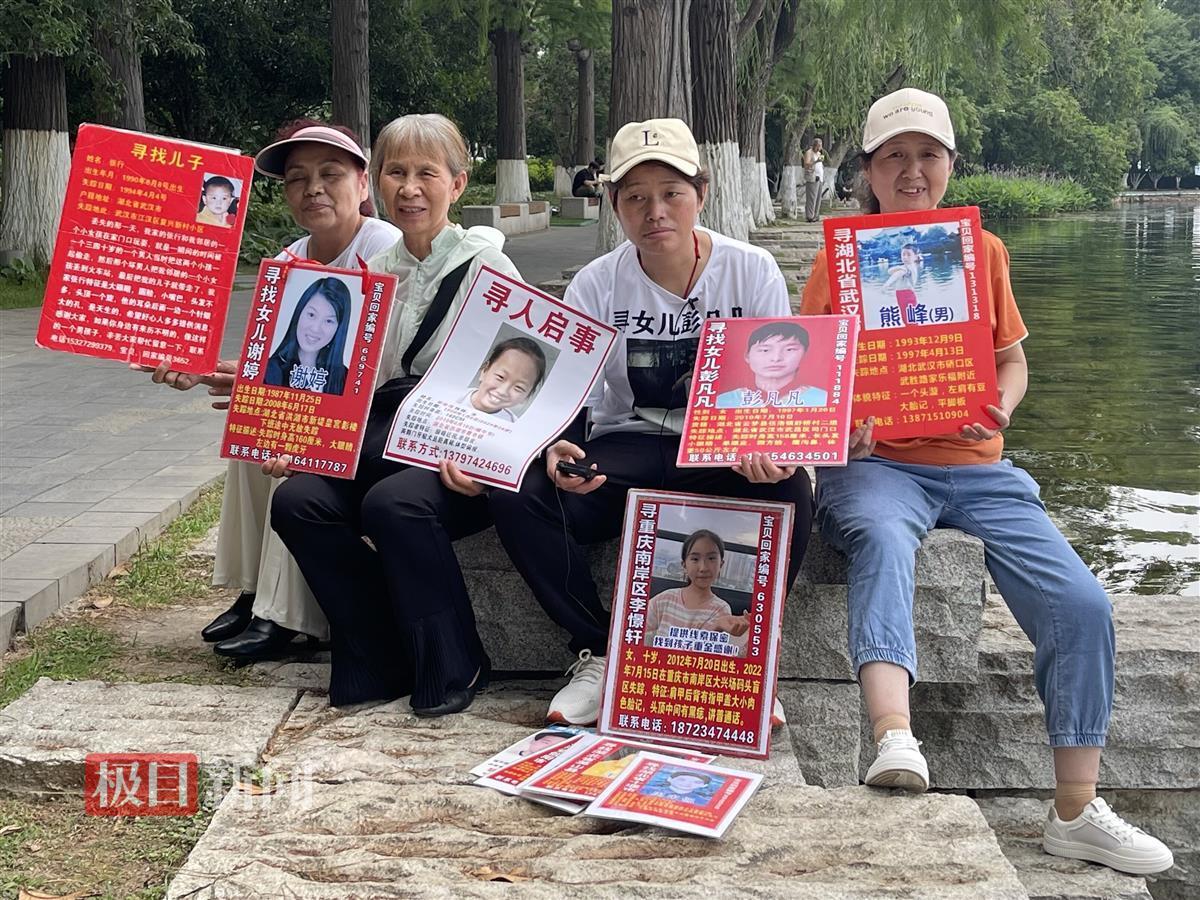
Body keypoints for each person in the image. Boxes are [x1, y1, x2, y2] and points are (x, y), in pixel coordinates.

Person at [800, 87, 1173, 876]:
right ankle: (894, 737)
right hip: (878, 465)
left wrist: (998, 406)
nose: (912, 171)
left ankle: (1075, 809)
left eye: (928, 155)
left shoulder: (982, 252)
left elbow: (1011, 363)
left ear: (950, 165)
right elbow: (812, 379)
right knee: (881, 541)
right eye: (894, 157)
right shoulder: (837, 261)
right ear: (867, 170)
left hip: (979, 468)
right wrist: (843, 428)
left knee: (1082, 603)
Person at [489, 118, 816, 728]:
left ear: (702, 193)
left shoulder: (752, 271)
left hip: (720, 450)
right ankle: (597, 653)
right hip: (627, 446)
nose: (655, 211)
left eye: (671, 193)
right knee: (519, 492)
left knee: (792, 489)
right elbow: (571, 400)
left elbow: (779, 393)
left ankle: (749, 663)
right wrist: (557, 448)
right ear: (614, 205)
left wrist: (773, 449)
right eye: (635, 197)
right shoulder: (595, 284)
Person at [268, 113, 522, 716]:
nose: (409, 189)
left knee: (391, 504)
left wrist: (484, 456)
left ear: (457, 184)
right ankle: (376, 649)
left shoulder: (490, 269)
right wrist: (298, 439)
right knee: (298, 500)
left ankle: (454, 657)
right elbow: (348, 385)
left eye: (426, 174)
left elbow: (521, 382)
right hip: (386, 441)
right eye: (395, 172)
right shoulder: (373, 275)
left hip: (465, 455)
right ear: (376, 182)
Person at [136, 120, 402, 660]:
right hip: (322, 406)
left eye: (330, 174)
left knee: (288, 440)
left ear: (363, 183)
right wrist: (209, 371)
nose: (313, 189)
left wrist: (282, 398)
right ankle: (255, 588)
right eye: (297, 178)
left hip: (380, 417)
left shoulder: (385, 250)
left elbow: (383, 363)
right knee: (250, 432)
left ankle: (285, 616)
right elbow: (271, 359)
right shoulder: (286, 261)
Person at [644, 529, 747, 655]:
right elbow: (635, 626)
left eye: (711, 558)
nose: (703, 568)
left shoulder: (721, 609)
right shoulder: (665, 599)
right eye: (695, 559)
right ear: (684, 565)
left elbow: (705, 658)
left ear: (721, 564)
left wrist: (716, 627)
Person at [264, 277, 352, 394]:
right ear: (299, 313)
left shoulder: (345, 379)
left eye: (328, 321)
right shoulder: (269, 371)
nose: (315, 328)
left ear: (339, 328)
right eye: (311, 315)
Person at [715, 321, 828, 408]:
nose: (776, 358)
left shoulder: (823, 400)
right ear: (747, 356)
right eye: (765, 350)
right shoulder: (723, 402)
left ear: (804, 354)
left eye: (789, 349)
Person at [458, 337, 547, 422]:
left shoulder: (514, 425)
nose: (503, 391)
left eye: (519, 387)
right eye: (500, 377)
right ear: (485, 370)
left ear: (527, 396)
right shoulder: (454, 395)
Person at [640, 770, 716, 805]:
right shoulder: (647, 790)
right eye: (682, 779)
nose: (687, 784)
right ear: (669, 779)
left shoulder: (701, 801)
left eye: (696, 782)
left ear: (704, 785)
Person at [802, 138, 825, 222]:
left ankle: (816, 215)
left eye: (820, 146)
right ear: (814, 145)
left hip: (820, 177)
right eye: (817, 146)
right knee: (811, 197)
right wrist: (816, 161)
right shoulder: (809, 152)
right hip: (812, 177)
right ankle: (809, 216)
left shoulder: (819, 153)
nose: (819, 148)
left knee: (818, 198)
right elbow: (806, 164)